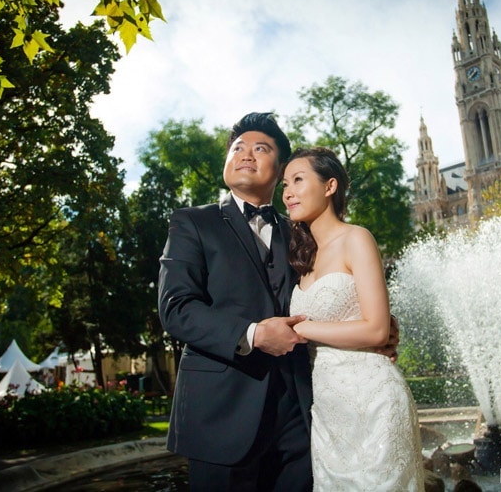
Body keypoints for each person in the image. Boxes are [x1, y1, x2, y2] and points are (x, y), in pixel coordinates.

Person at [158, 112, 314, 491]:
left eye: (260, 148)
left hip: (299, 414)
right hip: (220, 413)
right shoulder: (192, 222)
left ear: (280, 171)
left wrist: (376, 331)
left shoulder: (301, 231)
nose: (246, 154)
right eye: (238, 147)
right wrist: (254, 334)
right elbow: (176, 307)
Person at [282, 147, 425, 491]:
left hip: (374, 401)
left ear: (329, 186)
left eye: (298, 180)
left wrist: (299, 328)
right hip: (328, 414)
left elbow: (377, 330)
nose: (287, 192)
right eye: (284, 185)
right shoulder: (302, 256)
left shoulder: (357, 239)